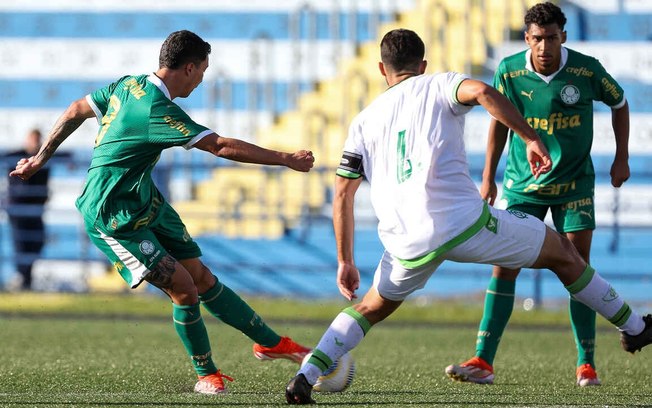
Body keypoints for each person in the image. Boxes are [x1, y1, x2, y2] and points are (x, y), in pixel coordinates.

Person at [284, 28, 651, 405]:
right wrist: (529, 138)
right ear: (423, 65)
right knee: (562, 252)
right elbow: (484, 93)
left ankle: (306, 375)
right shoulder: (441, 84)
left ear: (382, 69)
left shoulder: (363, 120)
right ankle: (635, 326)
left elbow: (343, 193)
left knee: (369, 308)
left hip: (404, 240)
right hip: (463, 222)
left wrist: (345, 260)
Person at [10, 30, 314, 395]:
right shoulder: (157, 109)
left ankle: (270, 342)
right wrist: (285, 159)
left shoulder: (129, 85)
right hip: (112, 216)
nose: (202, 79)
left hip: (145, 202)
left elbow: (77, 109)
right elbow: (219, 146)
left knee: (200, 276)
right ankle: (207, 374)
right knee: (184, 288)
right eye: (202, 70)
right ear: (188, 68)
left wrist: (40, 158)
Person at [444, 2, 630, 387]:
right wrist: (488, 177)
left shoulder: (586, 69)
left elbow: (620, 102)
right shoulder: (510, 70)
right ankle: (483, 359)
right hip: (523, 185)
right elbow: (498, 122)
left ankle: (587, 364)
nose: (544, 46)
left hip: (574, 184)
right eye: (537, 38)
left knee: (578, 268)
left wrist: (621, 158)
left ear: (563, 36)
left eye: (551, 38)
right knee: (504, 266)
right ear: (527, 38)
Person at [3, 129, 49, 290]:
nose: (35, 143)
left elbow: (64, 156)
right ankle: (23, 279)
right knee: (21, 244)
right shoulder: (17, 155)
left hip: (36, 209)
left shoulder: (44, 158)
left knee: (37, 242)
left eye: (38, 140)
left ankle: (26, 278)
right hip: (18, 208)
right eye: (33, 139)